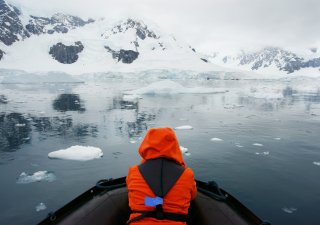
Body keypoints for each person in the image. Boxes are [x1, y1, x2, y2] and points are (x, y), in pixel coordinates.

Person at [126, 127, 197, 225]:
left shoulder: (134, 172)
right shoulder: (187, 174)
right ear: (174, 146)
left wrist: (155, 202)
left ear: (146, 146)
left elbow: (132, 196)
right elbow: (192, 197)